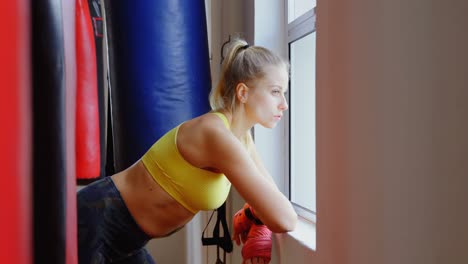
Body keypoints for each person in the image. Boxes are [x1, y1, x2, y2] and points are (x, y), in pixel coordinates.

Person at [77, 38, 297, 264]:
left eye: (284, 93)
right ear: (243, 92)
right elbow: (285, 219)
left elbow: (271, 195)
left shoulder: (240, 138)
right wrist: (260, 211)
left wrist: (254, 214)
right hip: (95, 222)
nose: (284, 104)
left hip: (127, 240)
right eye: (275, 92)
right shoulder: (216, 134)